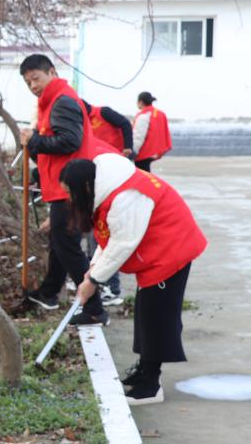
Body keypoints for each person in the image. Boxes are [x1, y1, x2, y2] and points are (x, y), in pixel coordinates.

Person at [61, 154, 207, 404]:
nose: (70, 200)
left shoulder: (125, 196)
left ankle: (150, 387)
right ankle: (144, 370)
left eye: (71, 193)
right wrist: (94, 268)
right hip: (158, 249)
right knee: (145, 312)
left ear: (86, 186)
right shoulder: (108, 189)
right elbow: (111, 237)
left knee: (157, 318)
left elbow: (123, 243)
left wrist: (93, 281)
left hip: (172, 249)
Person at [18, 54, 116, 325]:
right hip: (62, 187)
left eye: (36, 78)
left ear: (51, 72)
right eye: (28, 83)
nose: (33, 86)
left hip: (69, 188)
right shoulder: (52, 102)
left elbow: (69, 142)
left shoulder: (62, 101)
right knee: (61, 243)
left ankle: (95, 308)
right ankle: (49, 293)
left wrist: (34, 140)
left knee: (68, 247)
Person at [81, 99, 134, 306]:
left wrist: (128, 147)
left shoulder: (103, 113)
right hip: (99, 175)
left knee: (105, 237)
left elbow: (125, 124)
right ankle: (101, 281)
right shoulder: (82, 129)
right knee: (96, 237)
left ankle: (112, 288)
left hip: (112, 172)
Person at [131, 91, 171, 172]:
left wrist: (133, 152)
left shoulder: (144, 115)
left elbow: (138, 136)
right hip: (154, 151)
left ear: (140, 102)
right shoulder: (160, 114)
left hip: (144, 152)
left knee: (143, 175)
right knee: (147, 174)